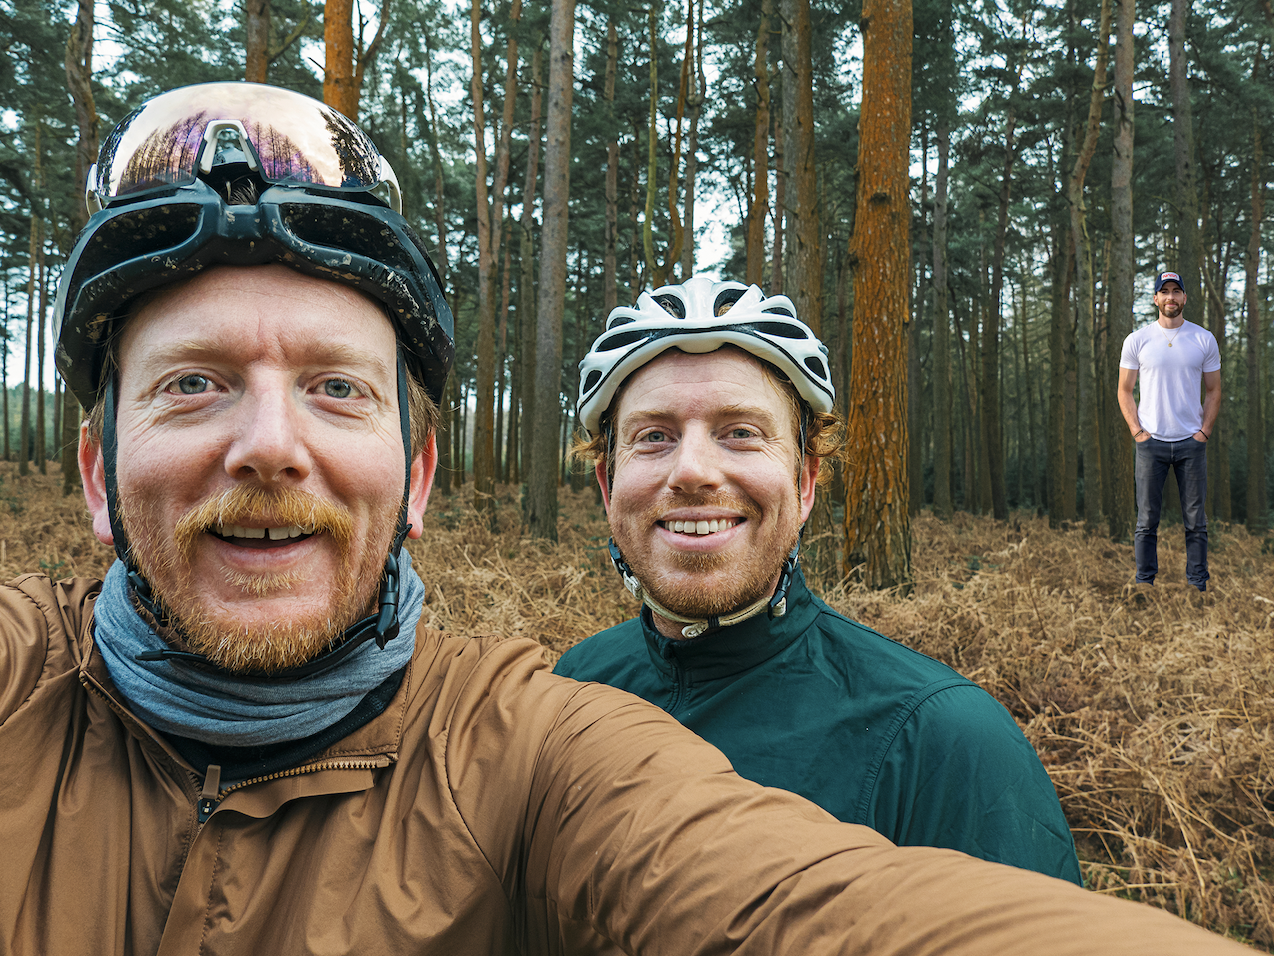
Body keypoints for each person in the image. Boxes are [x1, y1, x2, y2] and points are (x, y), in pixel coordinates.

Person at [0, 83, 1249, 956]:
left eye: (335, 386)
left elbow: (812, 904)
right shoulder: (586, 673)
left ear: (419, 474)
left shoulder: (539, 744)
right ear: (98, 474)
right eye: (192, 382)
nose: (269, 442)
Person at [555, 277, 1082, 885]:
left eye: (741, 432)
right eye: (654, 437)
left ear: (805, 483)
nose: (693, 471)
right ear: (606, 487)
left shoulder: (944, 742)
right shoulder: (575, 688)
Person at [1118, 270, 1221, 591]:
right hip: (1151, 444)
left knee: (1196, 523)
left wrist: (1204, 431)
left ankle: (1197, 587)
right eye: (1165, 292)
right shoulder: (1137, 340)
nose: (1171, 297)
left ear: (1185, 298)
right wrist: (1137, 432)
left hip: (1192, 443)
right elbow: (1124, 390)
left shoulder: (1204, 339)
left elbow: (1214, 390)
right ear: (1155, 299)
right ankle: (1144, 585)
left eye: (1177, 291)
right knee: (1146, 522)